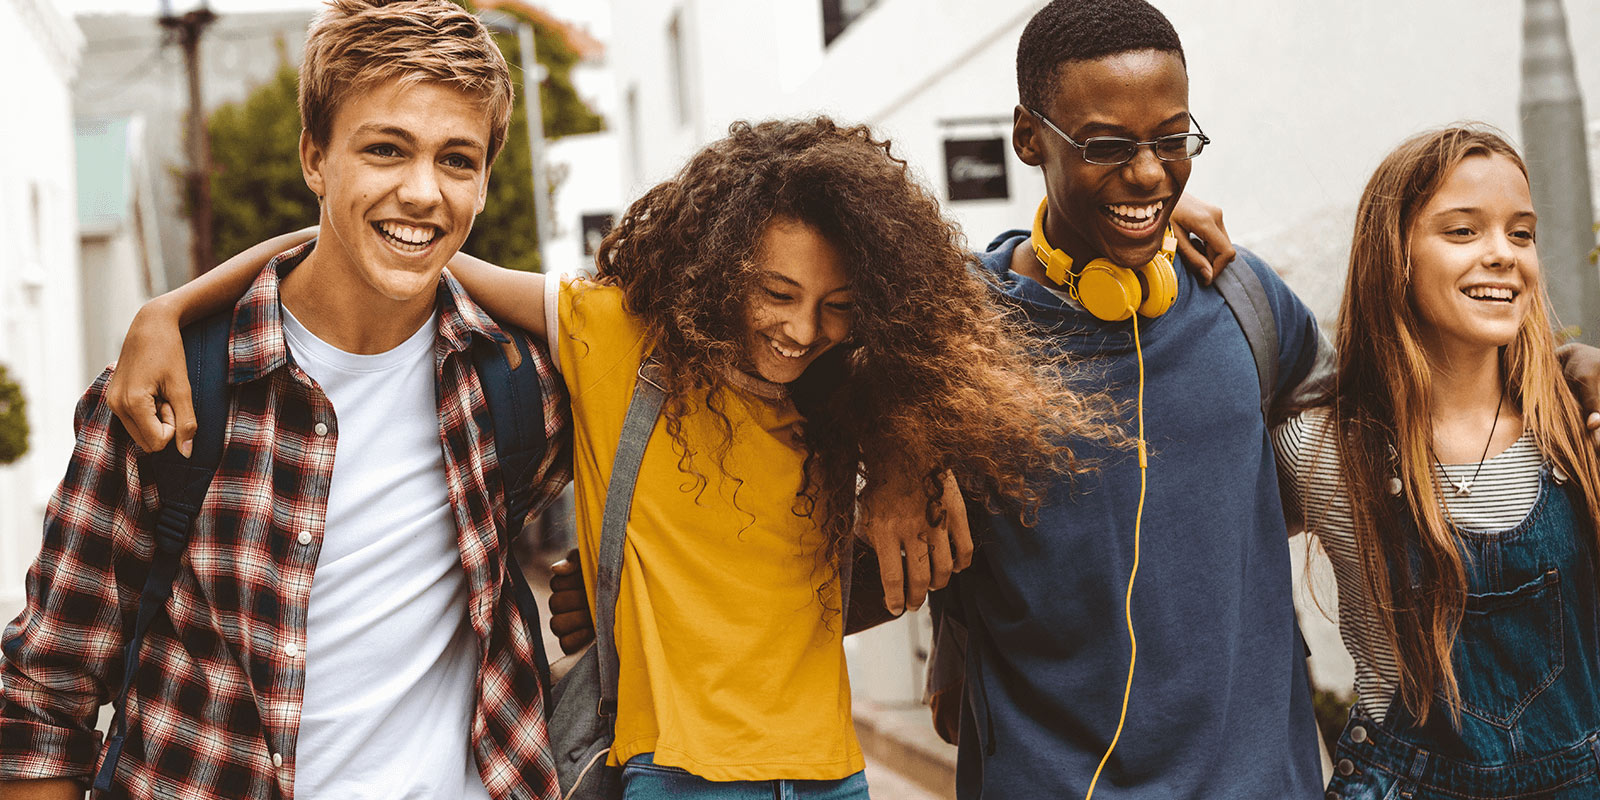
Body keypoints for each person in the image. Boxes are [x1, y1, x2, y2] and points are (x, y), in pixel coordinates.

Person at [96, 114, 1186, 797]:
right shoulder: (621, 336)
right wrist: (174, 302)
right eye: (774, 295)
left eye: (839, 308)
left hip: (829, 774)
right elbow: (403, 252)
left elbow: (982, 326)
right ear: (717, 267)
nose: (801, 329)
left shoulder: (852, 394)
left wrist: (1166, 234)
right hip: (673, 774)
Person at [0, 2, 572, 800]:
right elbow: (42, 700)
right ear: (315, 156)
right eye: (385, 149)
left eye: (457, 160)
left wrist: (598, 593)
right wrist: (173, 311)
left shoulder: (519, 386)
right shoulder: (168, 394)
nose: (422, 192)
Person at [946, 1, 1329, 796]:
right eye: (1108, 146)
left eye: (1172, 139)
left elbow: (1392, 410)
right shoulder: (957, 344)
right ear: (1027, 137)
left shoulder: (1242, 297)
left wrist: (1565, 366)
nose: (1151, 173)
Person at [1274, 128, 1600, 799]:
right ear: (1395, 256)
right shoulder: (1324, 449)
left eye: (1521, 233)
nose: (1502, 255)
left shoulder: (1578, 434)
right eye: (1463, 232)